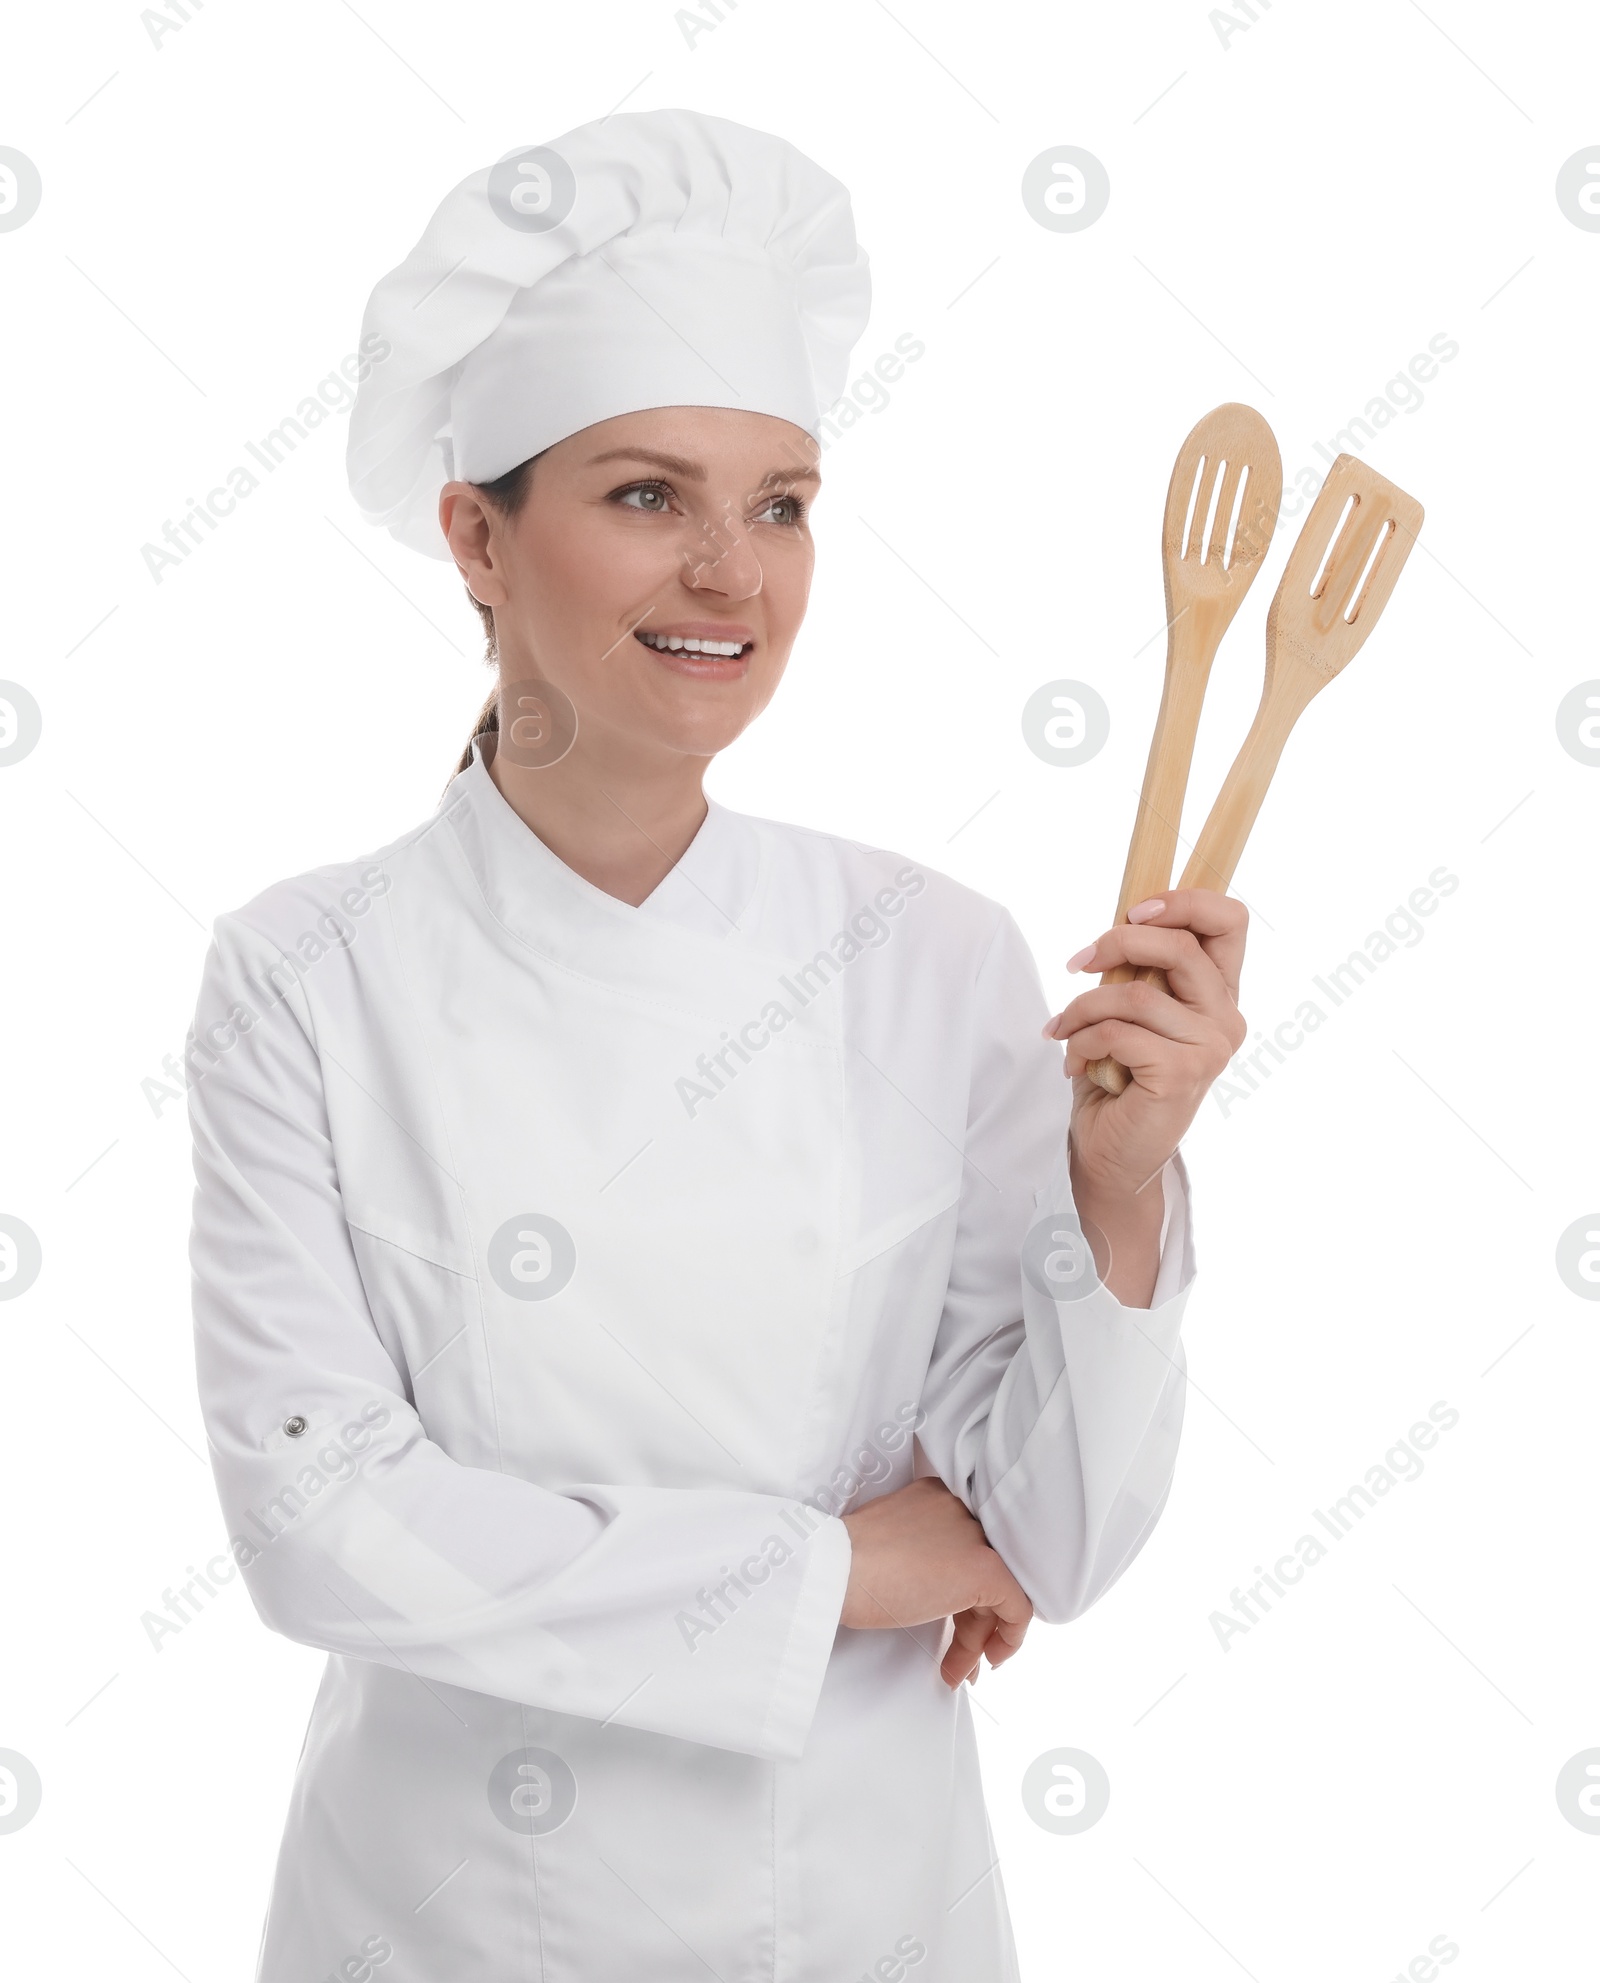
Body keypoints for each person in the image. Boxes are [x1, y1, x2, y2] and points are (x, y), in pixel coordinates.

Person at [187, 106, 1248, 1981]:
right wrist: (851, 1568)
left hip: (854, 1907)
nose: (733, 578)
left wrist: (1120, 1186)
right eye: (646, 495)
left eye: (780, 505)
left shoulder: (932, 955)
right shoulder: (304, 977)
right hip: (440, 1925)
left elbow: (1053, 1539)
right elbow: (322, 1527)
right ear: (475, 537)